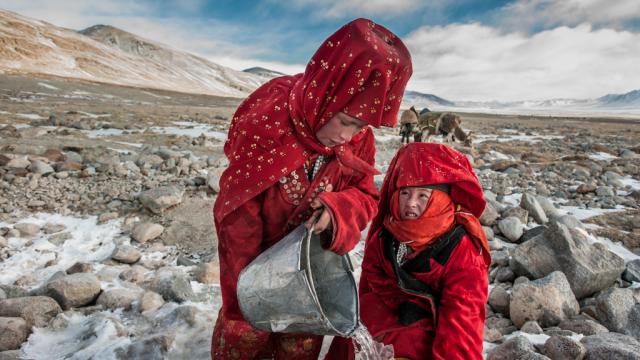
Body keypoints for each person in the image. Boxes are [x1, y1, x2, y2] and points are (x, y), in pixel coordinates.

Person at [211, 18, 412, 359]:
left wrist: (336, 210)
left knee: (300, 343)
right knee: (247, 335)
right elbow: (237, 214)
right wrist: (248, 292)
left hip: (311, 271)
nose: (346, 138)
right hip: (251, 262)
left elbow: (366, 196)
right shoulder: (267, 122)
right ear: (328, 92)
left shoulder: (359, 138)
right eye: (346, 121)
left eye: (360, 126)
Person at [326, 143, 491, 359]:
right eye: (405, 193)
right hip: (386, 320)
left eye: (423, 195)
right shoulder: (385, 236)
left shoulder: (462, 251)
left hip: (430, 336)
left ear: (443, 199)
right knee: (357, 326)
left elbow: (461, 323)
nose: (411, 204)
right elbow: (370, 287)